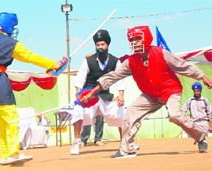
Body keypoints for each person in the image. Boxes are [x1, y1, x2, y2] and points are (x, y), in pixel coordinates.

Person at [81, 26, 212, 158]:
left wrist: (202, 77)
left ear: (147, 39)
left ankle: (200, 137)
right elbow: (113, 76)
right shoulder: (131, 61)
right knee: (131, 112)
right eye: (132, 40)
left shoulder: (161, 53)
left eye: (138, 39)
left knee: (174, 114)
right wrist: (91, 93)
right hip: (150, 95)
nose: (134, 43)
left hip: (170, 91)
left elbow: (183, 65)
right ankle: (127, 149)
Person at [0, 12, 63, 164]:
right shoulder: (12, 44)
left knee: (1, 121)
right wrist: (52, 65)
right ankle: (13, 154)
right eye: (13, 26)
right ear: (8, 26)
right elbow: (30, 57)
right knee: (11, 118)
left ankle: (5, 155)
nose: (14, 29)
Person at [70, 29, 127, 155]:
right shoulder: (88, 61)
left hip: (106, 97)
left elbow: (120, 79)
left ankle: (125, 142)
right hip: (89, 98)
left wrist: (121, 96)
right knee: (78, 110)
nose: (100, 47)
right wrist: (80, 96)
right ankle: (76, 142)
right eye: (98, 45)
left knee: (122, 110)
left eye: (102, 44)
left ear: (107, 45)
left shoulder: (115, 61)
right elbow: (79, 80)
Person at [181, 82, 212, 150]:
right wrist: (186, 120)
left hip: (204, 122)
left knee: (202, 137)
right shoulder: (190, 101)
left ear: (200, 91)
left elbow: (210, 113)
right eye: (195, 91)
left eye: (198, 91)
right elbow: (183, 111)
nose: (196, 92)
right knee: (199, 137)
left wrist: (211, 125)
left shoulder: (205, 101)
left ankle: (202, 145)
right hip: (194, 122)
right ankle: (202, 144)